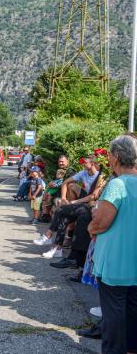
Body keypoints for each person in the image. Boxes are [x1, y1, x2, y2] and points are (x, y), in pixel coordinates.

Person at [89, 135, 137, 354]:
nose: (108, 158)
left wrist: (91, 228)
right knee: (133, 311)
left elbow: (101, 223)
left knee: (114, 314)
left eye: (109, 154)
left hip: (116, 263)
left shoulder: (117, 184)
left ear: (116, 157)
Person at [34, 154, 105, 259]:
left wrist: (74, 202)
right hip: (83, 203)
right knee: (63, 215)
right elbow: (65, 183)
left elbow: (93, 196)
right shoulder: (83, 173)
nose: (83, 165)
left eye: (85, 163)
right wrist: (63, 198)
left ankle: (51, 240)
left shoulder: (101, 177)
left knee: (62, 212)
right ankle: (56, 249)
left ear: (93, 164)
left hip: (94, 205)